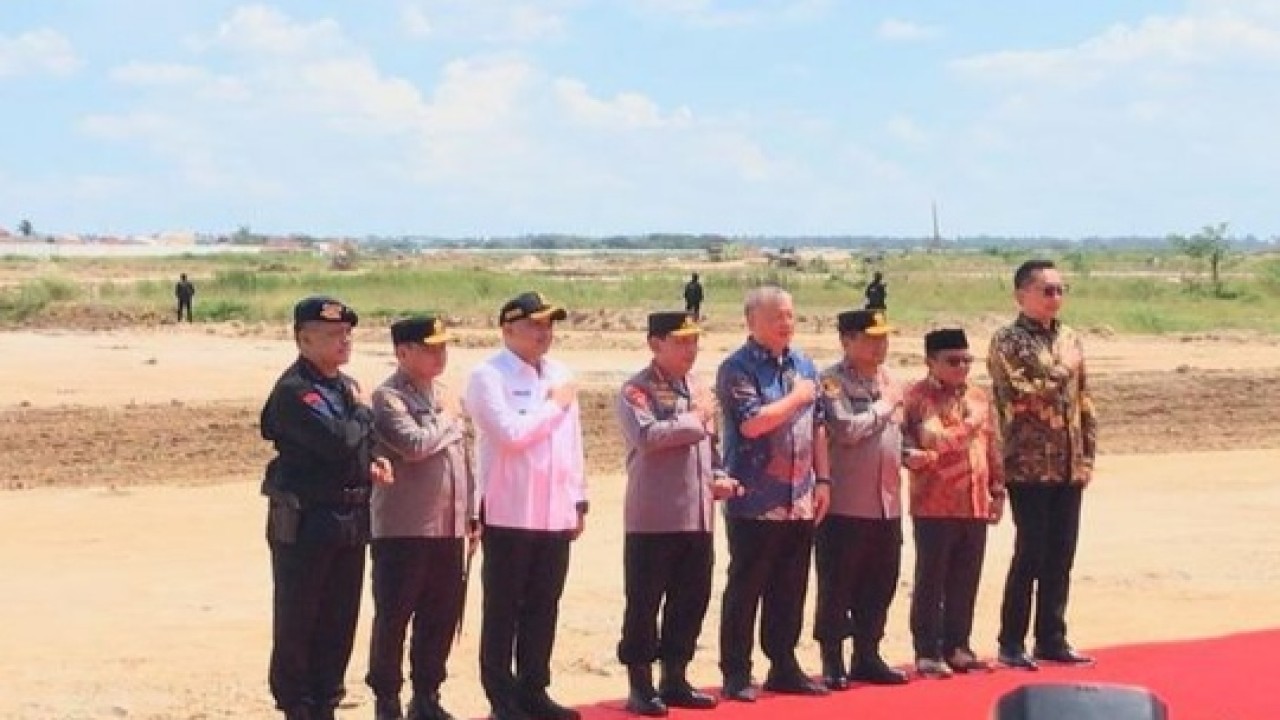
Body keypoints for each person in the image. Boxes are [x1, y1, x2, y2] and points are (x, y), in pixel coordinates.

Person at [260, 295, 394, 720]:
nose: (345, 341)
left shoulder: (340, 385)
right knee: (301, 617)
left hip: (350, 519)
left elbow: (357, 442)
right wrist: (362, 410)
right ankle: (297, 703)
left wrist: (374, 457)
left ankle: (326, 699)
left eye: (347, 333)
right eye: (334, 335)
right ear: (304, 340)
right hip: (307, 521)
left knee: (339, 618)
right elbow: (337, 440)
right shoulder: (296, 390)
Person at [464, 291, 587, 720]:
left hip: (554, 511)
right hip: (509, 511)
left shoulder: (559, 372)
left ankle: (534, 689)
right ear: (508, 329)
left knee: (543, 605)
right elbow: (512, 435)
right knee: (503, 607)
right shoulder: (488, 376)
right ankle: (502, 696)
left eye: (549, 325)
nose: (543, 333)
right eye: (535, 325)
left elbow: (572, 444)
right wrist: (553, 405)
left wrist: (579, 498)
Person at [615, 312, 739, 717]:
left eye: (694, 341)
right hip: (654, 516)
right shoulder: (637, 389)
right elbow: (648, 437)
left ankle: (675, 676)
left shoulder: (697, 388)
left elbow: (712, 448)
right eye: (681, 341)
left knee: (691, 599)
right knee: (645, 602)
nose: (690, 349)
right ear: (655, 343)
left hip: (697, 515)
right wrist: (695, 418)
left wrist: (720, 477)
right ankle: (640, 684)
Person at [716, 285, 831, 703]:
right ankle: (736, 670)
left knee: (792, 584)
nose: (786, 323)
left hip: (799, 494)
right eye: (776, 316)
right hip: (754, 497)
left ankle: (783, 663)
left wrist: (823, 481)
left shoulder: (804, 363)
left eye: (790, 316)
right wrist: (797, 396)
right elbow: (752, 423)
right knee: (747, 584)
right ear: (752, 321)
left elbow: (818, 424)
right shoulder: (737, 368)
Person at [366, 315, 478, 720]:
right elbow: (414, 445)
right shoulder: (388, 397)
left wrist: (472, 512)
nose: (439, 354)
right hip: (404, 529)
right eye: (429, 348)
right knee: (395, 615)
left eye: (443, 346)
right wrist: (447, 420)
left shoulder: (446, 394)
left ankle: (427, 695)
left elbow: (465, 458)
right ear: (402, 352)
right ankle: (387, 699)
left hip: (448, 528)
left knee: (441, 614)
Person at [989, 259, 1098, 671]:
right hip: (1029, 463)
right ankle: (1011, 641)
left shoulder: (1069, 337)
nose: (1055, 297)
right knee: (1030, 552)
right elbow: (1023, 396)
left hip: (1067, 464)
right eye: (1046, 290)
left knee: (1061, 554)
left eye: (1060, 290)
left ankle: (1052, 636)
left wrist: (1087, 456)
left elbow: (1084, 400)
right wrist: (1062, 368)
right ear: (1022, 295)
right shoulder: (1008, 341)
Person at [812, 309, 910, 690]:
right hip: (845, 504)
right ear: (846, 341)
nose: (879, 345)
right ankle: (833, 658)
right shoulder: (831, 382)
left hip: (886, 502)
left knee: (881, 581)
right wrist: (884, 406)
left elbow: (896, 435)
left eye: (883, 337)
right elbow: (846, 429)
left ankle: (868, 654)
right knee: (839, 583)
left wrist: (909, 454)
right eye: (870, 338)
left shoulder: (889, 380)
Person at [902, 328, 1005, 678]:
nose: (961, 367)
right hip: (934, 501)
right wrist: (971, 425)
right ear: (930, 361)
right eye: (952, 361)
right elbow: (935, 439)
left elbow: (992, 447)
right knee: (932, 578)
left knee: (966, 577)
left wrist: (998, 489)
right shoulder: (918, 397)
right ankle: (928, 650)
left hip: (974, 500)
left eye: (966, 360)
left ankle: (958, 645)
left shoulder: (978, 396)